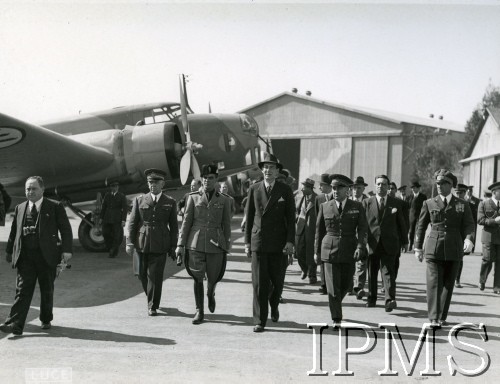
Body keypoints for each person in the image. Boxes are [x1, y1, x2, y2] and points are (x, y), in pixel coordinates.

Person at [0, 176, 73, 336]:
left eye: (33, 188)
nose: (30, 192)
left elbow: (66, 229)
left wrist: (67, 250)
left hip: (47, 256)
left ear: (42, 189)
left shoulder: (54, 207)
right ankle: (15, 325)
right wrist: (9, 251)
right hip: (26, 257)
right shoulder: (20, 208)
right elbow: (14, 232)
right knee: (22, 290)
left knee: (47, 290)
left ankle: (46, 318)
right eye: (27, 189)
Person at [414, 169, 475, 327]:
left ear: (451, 185)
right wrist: (417, 247)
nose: (439, 186)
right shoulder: (429, 203)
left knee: (448, 284)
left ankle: (441, 316)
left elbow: (469, 224)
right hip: (434, 248)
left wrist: (469, 239)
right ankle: (433, 318)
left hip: (454, 248)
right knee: (434, 283)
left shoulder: (462, 204)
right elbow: (420, 227)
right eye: (438, 183)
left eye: (443, 183)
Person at [244, 152, 295, 333]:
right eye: (265, 167)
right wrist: (247, 243)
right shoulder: (254, 188)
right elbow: (249, 217)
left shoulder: (285, 190)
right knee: (259, 284)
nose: (267, 170)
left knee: (277, 282)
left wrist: (290, 242)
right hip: (259, 241)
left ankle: (274, 305)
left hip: (279, 244)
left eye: (271, 167)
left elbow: (290, 218)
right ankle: (259, 320)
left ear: (277, 171)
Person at [176, 164, 232, 324]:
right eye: (205, 178)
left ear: (216, 180)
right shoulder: (193, 197)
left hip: (216, 243)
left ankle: (211, 292)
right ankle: (199, 310)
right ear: (201, 180)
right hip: (196, 242)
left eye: (211, 178)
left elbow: (227, 224)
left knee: (214, 276)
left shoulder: (224, 200)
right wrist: (180, 244)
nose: (208, 181)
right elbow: (186, 222)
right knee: (197, 276)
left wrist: (227, 244)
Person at [315, 174, 368, 327]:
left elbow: (363, 228)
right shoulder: (325, 206)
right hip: (329, 250)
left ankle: (336, 305)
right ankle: (336, 318)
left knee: (345, 285)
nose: (336, 191)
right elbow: (319, 231)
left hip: (349, 250)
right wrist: (316, 252)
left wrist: (360, 246)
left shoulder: (357, 207)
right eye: (333, 188)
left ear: (347, 190)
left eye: (339, 188)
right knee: (332, 288)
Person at [126, 169, 178, 316]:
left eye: (156, 182)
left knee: (155, 276)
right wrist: (129, 242)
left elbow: (174, 227)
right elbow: (132, 223)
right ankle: (151, 296)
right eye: (150, 182)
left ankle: (152, 306)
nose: (152, 185)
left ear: (162, 184)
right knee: (141, 274)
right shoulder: (139, 200)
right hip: (141, 243)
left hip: (161, 243)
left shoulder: (170, 202)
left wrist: (174, 246)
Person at [363, 175, 408, 312]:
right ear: (374, 186)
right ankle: (372, 298)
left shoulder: (397, 203)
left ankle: (389, 299)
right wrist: (361, 241)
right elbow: (363, 224)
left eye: (383, 184)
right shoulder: (367, 203)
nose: (380, 186)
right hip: (372, 243)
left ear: (388, 187)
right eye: (378, 184)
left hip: (390, 243)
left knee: (389, 272)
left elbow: (402, 224)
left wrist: (405, 242)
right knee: (372, 272)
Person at [477, 181, 500, 294]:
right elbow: (480, 220)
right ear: (494, 192)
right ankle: (482, 280)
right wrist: (493, 221)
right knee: (488, 260)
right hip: (488, 237)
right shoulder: (484, 204)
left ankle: (497, 286)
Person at [349, 176, 369, 299]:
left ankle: (359, 287)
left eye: (359, 188)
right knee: (350, 261)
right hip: (349, 235)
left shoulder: (368, 201)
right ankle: (350, 286)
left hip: (363, 235)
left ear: (363, 189)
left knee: (361, 261)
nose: (356, 190)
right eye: (354, 188)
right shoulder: (347, 200)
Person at [294, 178, 317, 284]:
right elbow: (296, 211)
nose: (302, 188)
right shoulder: (299, 198)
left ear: (309, 188)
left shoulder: (317, 199)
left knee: (311, 252)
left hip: (312, 229)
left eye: (304, 187)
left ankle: (312, 275)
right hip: (300, 228)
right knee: (298, 252)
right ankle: (304, 269)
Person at [314, 173, 332, 295]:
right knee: (322, 258)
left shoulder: (337, 197)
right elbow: (317, 219)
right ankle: (323, 284)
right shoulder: (318, 199)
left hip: (333, 232)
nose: (319, 188)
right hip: (322, 233)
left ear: (328, 186)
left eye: (321, 185)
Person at [100, 181, 128, 258]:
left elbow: (125, 209)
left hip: (117, 218)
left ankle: (113, 251)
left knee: (117, 236)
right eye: (112, 186)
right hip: (107, 217)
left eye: (115, 186)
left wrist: (123, 220)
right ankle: (110, 248)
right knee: (105, 233)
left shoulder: (121, 196)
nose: (114, 188)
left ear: (118, 187)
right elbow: (104, 207)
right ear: (110, 187)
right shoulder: (107, 195)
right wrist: (101, 218)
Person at [454, 184, 472, 288]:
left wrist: (469, 238)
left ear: (465, 193)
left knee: (460, 258)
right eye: (457, 192)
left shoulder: (469, 204)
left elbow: (471, 223)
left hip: (462, 236)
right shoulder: (451, 202)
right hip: (451, 235)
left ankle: (457, 279)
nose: (458, 194)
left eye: (461, 193)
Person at [406, 181, 427, 251]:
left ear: (418, 188)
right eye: (412, 188)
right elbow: (407, 207)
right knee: (411, 232)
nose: (413, 189)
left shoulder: (423, 197)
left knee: (418, 231)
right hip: (411, 217)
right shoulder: (409, 197)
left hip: (420, 217)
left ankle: (417, 246)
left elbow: (425, 208)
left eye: (414, 188)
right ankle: (410, 244)